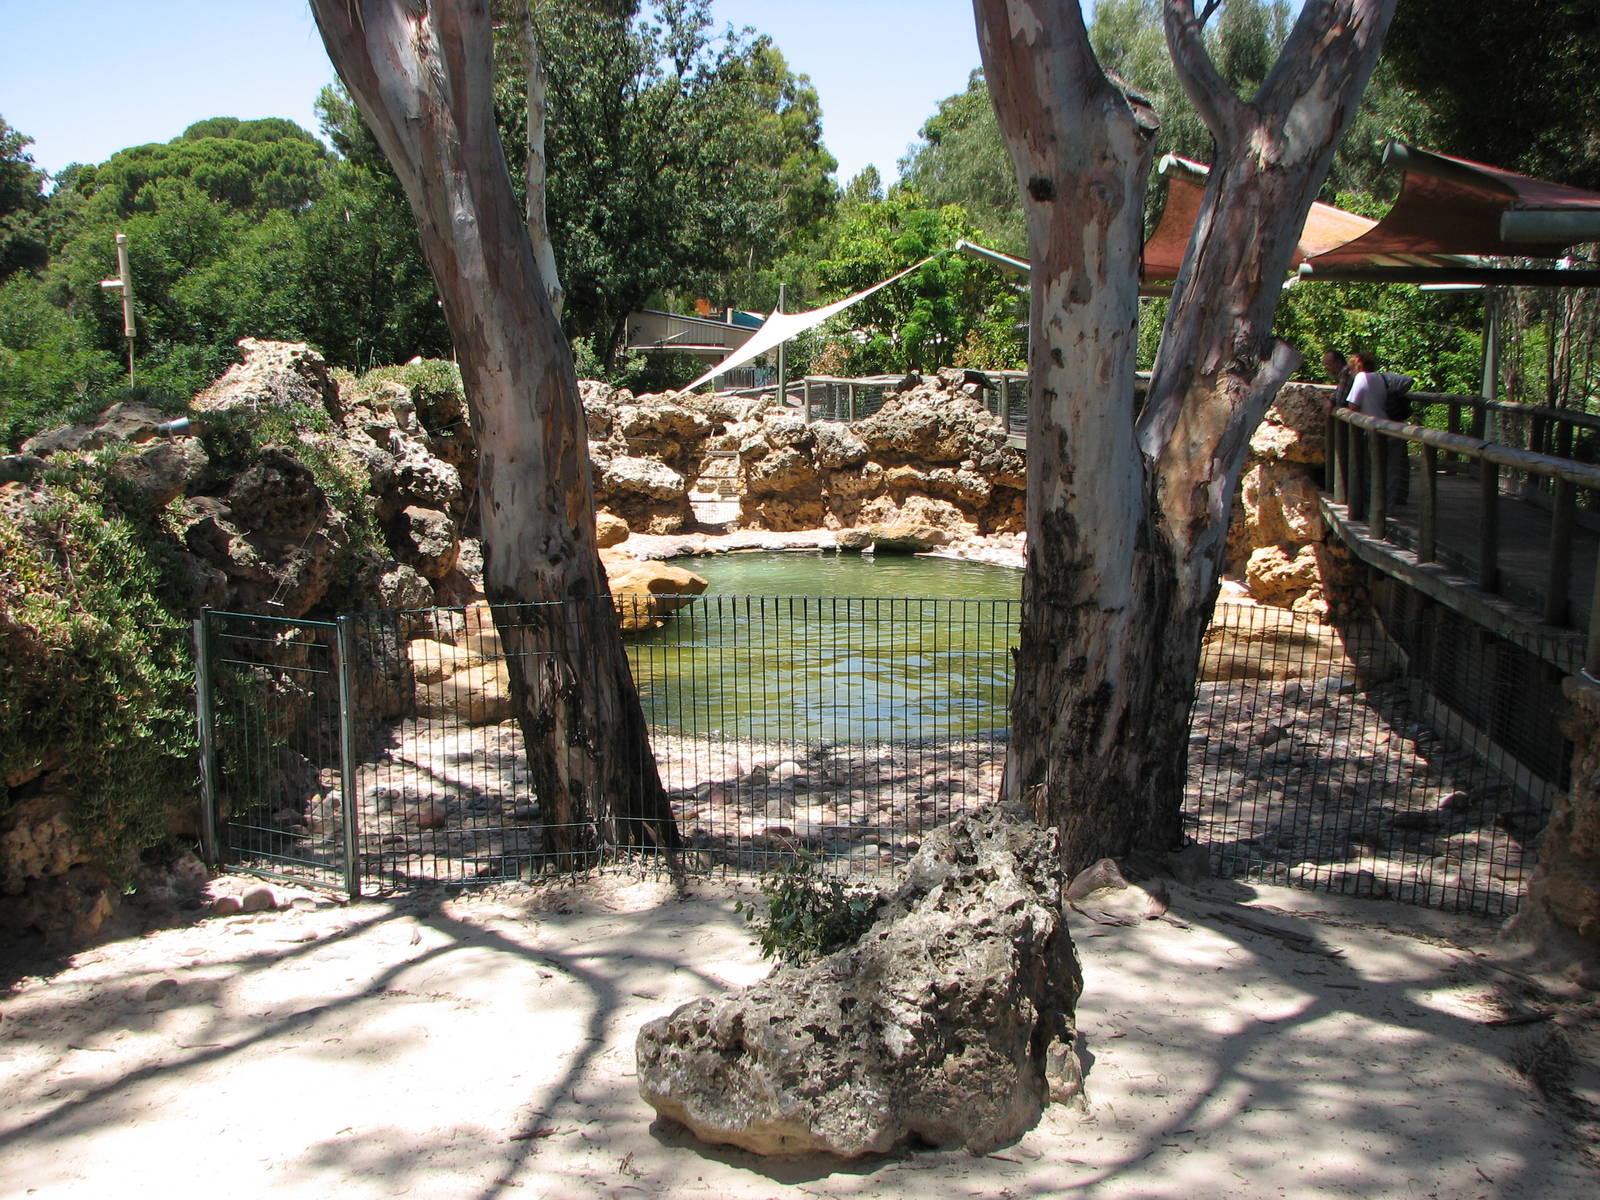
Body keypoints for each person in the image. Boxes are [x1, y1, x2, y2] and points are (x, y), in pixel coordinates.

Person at [1344, 351, 1410, 507]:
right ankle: (1389, 508)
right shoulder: (1382, 377)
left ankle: (1374, 509)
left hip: (1374, 431)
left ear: (1357, 366)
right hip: (1392, 429)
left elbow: (1353, 404)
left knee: (1373, 471)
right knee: (1392, 472)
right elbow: (1408, 381)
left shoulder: (1362, 378)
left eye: (1351, 369)